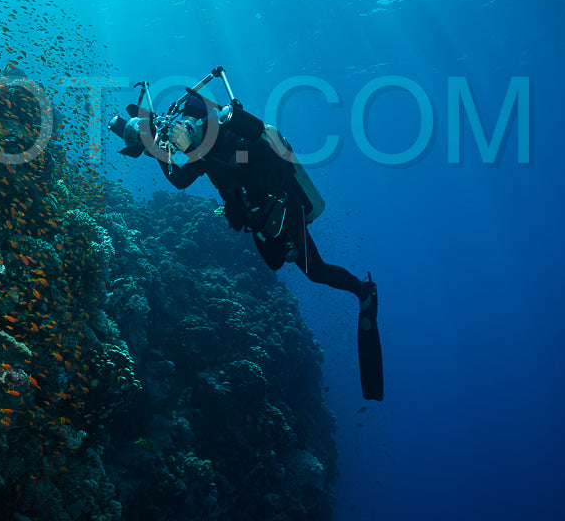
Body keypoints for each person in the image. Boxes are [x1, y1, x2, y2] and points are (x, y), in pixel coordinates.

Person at [110, 80, 383, 400]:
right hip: (259, 217)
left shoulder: (230, 137)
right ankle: (308, 258)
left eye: (185, 137)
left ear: (197, 122)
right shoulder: (201, 149)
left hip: (281, 207)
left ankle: (364, 293)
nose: (184, 146)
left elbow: (253, 165)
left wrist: (204, 154)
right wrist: (159, 151)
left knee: (314, 270)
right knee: (275, 261)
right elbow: (181, 180)